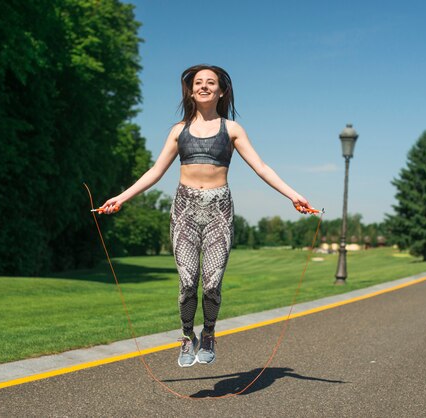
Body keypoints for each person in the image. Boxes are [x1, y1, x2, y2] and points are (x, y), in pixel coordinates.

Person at [100, 64, 313, 367]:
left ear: (221, 90)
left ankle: (209, 333)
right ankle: (188, 337)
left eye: (210, 83)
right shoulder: (179, 131)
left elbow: (262, 167)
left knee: (211, 283)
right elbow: (155, 171)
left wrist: (293, 194)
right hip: (184, 210)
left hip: (219, 211)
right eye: (197, 82)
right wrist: (121, 198)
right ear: (190, 90)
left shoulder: (233, 129)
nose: (203, 86)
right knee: (188, 281)